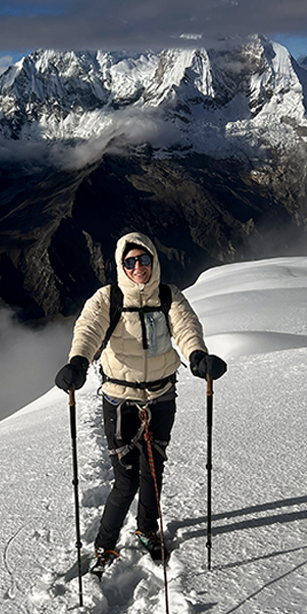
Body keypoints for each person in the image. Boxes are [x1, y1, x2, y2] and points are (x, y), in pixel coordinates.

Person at [54, 232, 227, 572]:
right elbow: (88, 330)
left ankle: (147, 527)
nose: (138, 267)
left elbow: (186, 327)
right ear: (121, 265)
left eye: (143, 259)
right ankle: (105, 543)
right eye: (129, 262)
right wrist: (78, 361)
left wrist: (197, 357)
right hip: (121, 398)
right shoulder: (108, 298)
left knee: (154, 467)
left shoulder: (169, 296)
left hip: (162, 395)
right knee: (127, 477)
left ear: (153, 260)